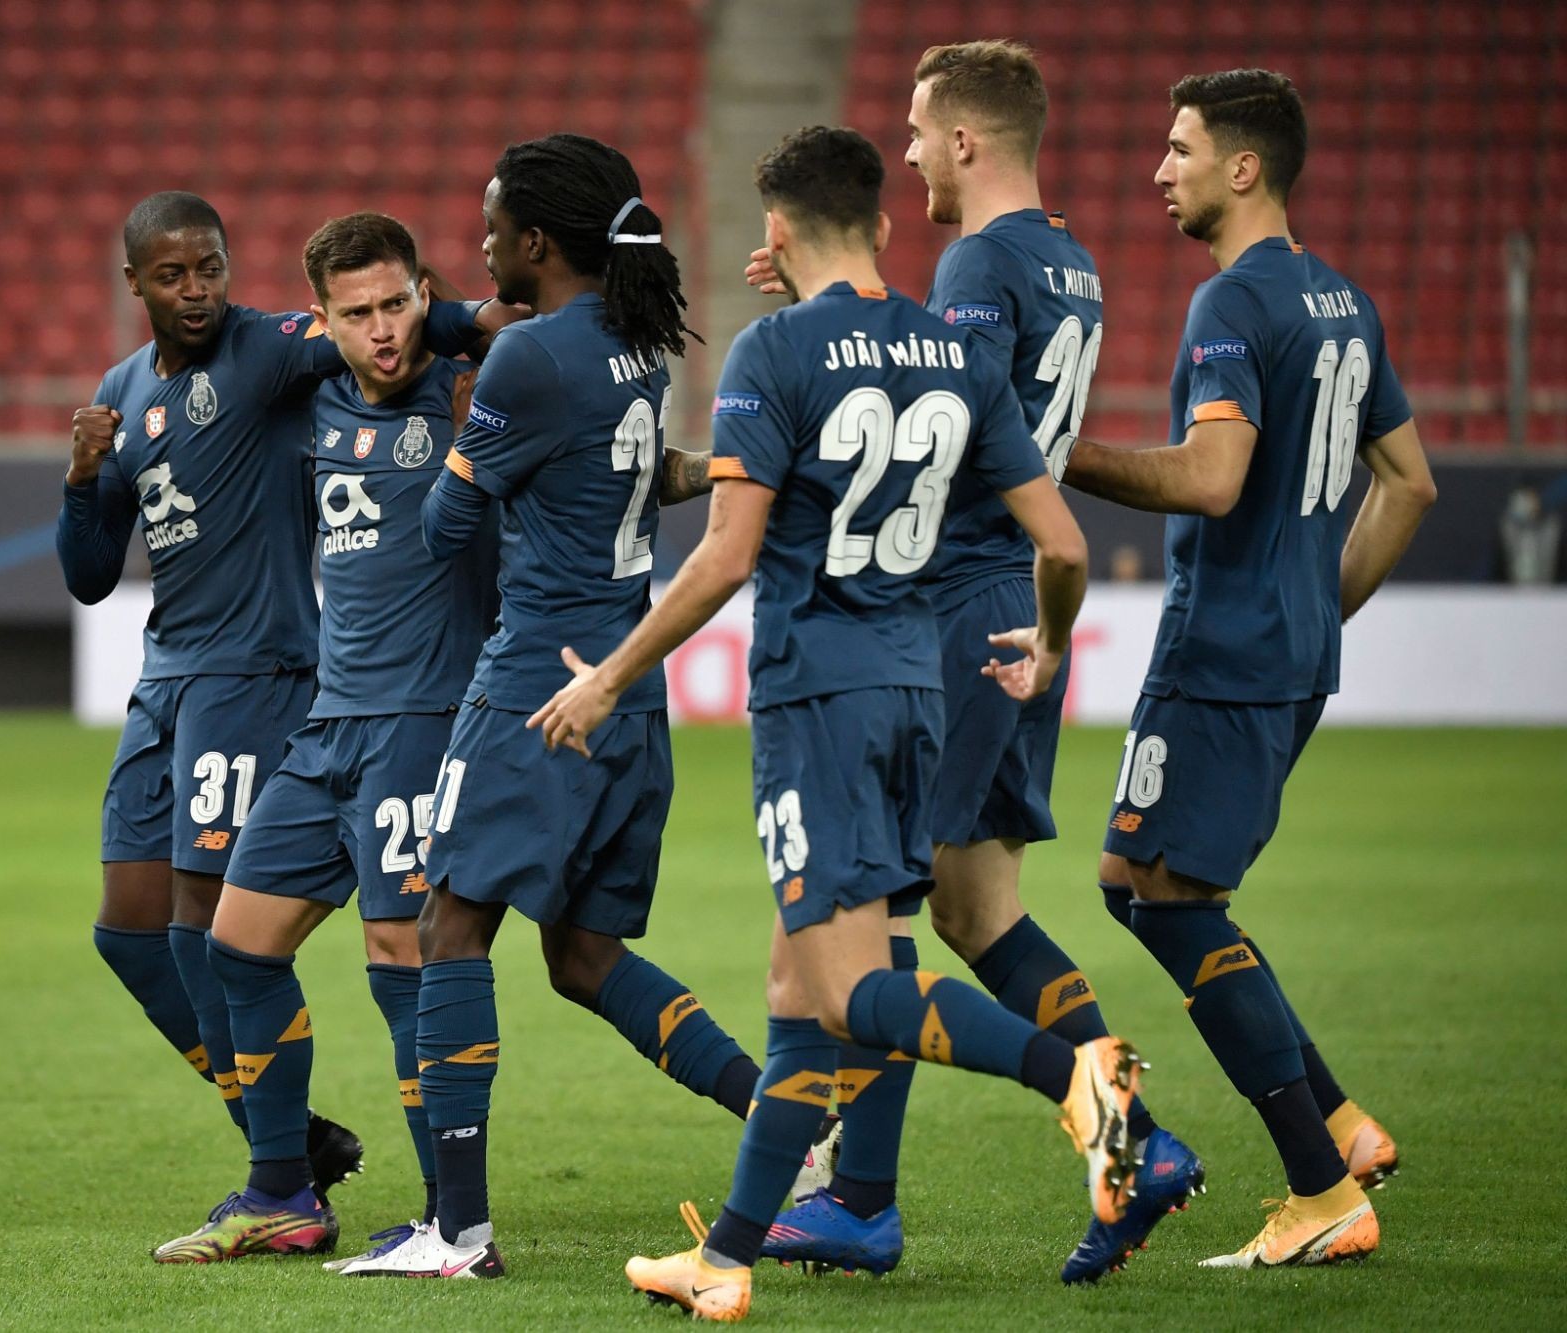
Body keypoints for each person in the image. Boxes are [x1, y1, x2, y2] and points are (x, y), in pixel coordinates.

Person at [534, 126, 1143, 1323]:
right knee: (795, 984)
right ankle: (729, 1255)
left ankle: (1081, 1079)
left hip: (815, 697)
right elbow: (1063, 543)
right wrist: (1051, 638)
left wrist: (608, 676)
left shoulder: (773, 349)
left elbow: (725, 557)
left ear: (773, 230)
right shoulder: (953, 349)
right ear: (879, 220)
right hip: (919, 689)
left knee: (851, 989)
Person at [747, 41, 1201, 1284]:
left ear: (961, 139)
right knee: (973, 908)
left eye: (913, 131)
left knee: (882, 905)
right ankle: (1133, 1139)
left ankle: (863, 1198)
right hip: (1021, 602)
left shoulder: (975, 264)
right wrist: (826, 290)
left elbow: (932, 424)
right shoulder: (1070, 260)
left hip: (954, 603)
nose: (904, 154)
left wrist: (821, 325)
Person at [337, 134, 765, 1281]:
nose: (480, 246)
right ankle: (789, 1124)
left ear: (533, 240)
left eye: (491, 228)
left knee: (447, 927)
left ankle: (456, 1234)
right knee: (580, 955)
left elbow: (445, 531)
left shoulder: (526, 358)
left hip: (534, 684)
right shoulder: (637, 339)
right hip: (625, 686)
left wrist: (462, 435)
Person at [55, 191, 507, 1253]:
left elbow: (397, 318)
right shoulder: (122, 391)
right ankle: (288, 1152)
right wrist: (80, 479)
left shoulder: (268, 354)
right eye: (173, 274)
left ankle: (378, 1194)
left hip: (267, 673)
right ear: (135, 284)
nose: (196, 289)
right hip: (172, 675)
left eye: (210, 267)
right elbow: (88, 573)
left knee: (251, 934)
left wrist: (487, 318)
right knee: (142, 933)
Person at [1057, 70, 1435, 1268]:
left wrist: (1054, 454)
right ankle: (1337, 1121)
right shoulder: (1342, 302)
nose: (1157, 171)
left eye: (1178, 150)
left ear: (1242, 167)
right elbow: (1408, 481)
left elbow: (1211, 479)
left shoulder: (1231, 300)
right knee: (1133, 881)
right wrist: (1314, 610)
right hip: (1287, 649)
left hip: (1218, 649)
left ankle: (1320, 1185)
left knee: (1166, 898)